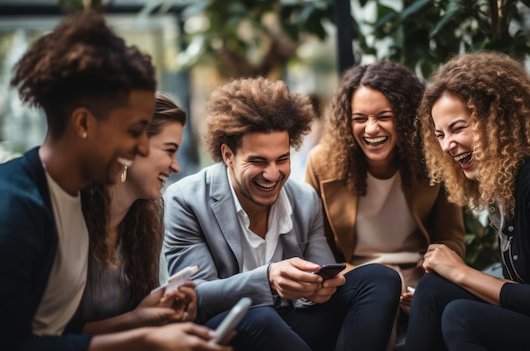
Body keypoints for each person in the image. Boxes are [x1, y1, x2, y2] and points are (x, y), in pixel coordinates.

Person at [0, 12, 229, 351]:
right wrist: (142, 339)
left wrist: (140, 324)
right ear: (83, 123)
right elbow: (1, 344)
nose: (139, 147)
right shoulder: (8, 207)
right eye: (133, 130)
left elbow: (55, 332)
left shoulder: (76, 202)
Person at [163, 76, 402, 351]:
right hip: (229, 330)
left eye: (283, 159)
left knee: (380, 279)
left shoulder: (304, 199)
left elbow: (322, 276)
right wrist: (268, 279)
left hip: (290, 325)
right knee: (260, 317)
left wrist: (319, 288)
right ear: (228, 155)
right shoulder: (186, 200)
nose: (273, 174)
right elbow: (195, 296)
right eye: (258, 161)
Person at [406, 51, 530, 350]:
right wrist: (451, 282)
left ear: (498, 119)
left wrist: (460, 272)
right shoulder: (504, 184)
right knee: (431, 290)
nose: (447, 145)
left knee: (461, 316)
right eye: (440, 134)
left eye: (457, 128)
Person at [305, 61, 465, 348]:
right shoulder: (322, 163)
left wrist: (431, 272)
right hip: (354, 277)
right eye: (359, 118)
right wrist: (386, 279)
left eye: (384, 116)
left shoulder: (432, 160)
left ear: (404, 117)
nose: (371, 129)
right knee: (384, 284)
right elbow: (317, 249)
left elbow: (450, 237)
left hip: (421, 273)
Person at [67, 92, 200, 334]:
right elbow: (46, 338)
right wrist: (137, 319)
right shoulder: (69, 216)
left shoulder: (148, 218)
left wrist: (161, 308)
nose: (176, 166)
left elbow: (139, 317)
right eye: (169, 151)